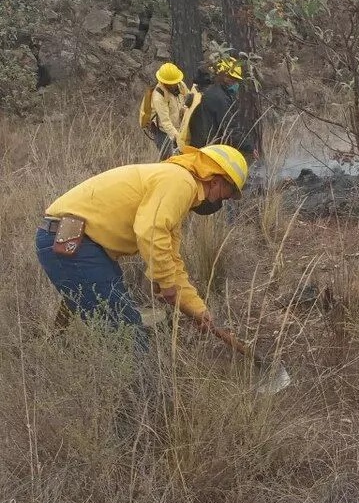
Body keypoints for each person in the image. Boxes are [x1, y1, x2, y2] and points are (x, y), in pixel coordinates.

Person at [35, 145, 248, 353]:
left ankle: (51, 352)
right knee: (129, 332)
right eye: (228, 193)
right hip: (73, 244)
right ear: (216, 180)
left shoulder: (174, 187)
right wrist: (165, 282)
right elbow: (151, 231)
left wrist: (198, 310)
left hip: (82, 246)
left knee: (116, 318)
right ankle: (143, 389)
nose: (225, 200)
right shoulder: (180, 181)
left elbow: (171, 261)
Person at [187, 57, 257, 159]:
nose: (235, 83)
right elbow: (229, 129)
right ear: (225, 76)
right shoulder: (219, 97)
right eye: (233, 80)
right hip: (208, 147)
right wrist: (249, 147)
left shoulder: (212, 90)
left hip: (201, 143)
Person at [147, 62, 193, 160]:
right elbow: (165, 122)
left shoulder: (181, 85)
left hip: (180, 127)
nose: (174, 85)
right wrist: (178, 138)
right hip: (163, 132)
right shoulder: (158, 96)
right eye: (171, 83)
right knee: (167, 160)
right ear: (164, 82)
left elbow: (189, 97)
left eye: (175, 82)